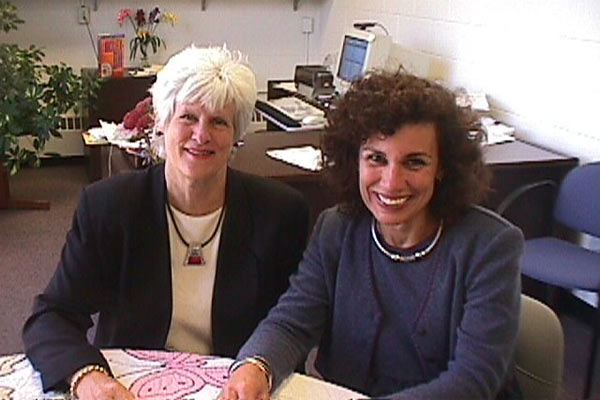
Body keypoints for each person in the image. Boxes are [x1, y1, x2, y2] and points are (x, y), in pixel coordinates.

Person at [22, 45, 309, 400]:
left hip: (234, 389)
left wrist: (261, 368)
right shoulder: (109, 207)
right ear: (162, 121)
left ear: (237, 135)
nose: (201, 135)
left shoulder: (281, 213)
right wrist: (88, 376)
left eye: (219, 121)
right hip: (132, 387)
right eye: (188, 117)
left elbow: (295, 325)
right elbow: (52, 316)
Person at [221, 71, 523, 399]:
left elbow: (472, 381)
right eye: (376, 158)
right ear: (355, 160)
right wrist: (256, 365)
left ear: (443, 168)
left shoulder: (489, 247)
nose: (392, 182)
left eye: (415, 162)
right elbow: (292, 322)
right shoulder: (336, 229)